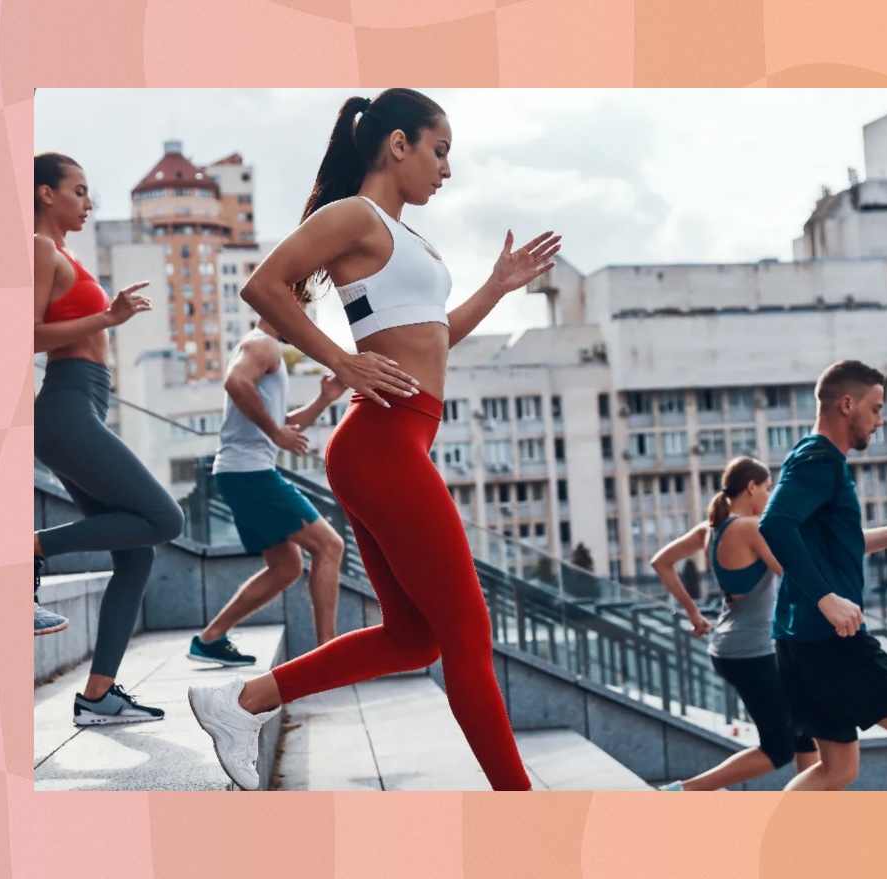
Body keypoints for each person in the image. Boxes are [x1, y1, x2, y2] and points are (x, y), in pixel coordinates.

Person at [188, 88, 559, 791]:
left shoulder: (399, 233)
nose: (446, 170)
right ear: (398, 144)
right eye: (439, 150)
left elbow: (433, 339)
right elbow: (265, 285)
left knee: (414, 636)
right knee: (469, 637)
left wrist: (497, 286)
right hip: (383, 443)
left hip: (391, 444)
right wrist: (340, 360)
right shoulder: (354, 215)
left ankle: (242, 701)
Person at [33, 152, 184, 723]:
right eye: (78, 190)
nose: (88, 202)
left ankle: (97, 696)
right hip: (67, 407)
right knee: (167, 519)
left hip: (86, 404)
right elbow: (26, 334)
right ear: (47, 194)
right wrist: (107, 319)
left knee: (138, 554)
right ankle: (32, 547)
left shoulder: (67, 254)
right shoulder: (43, 249)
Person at [760, 359, 887, 790]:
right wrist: (826, 598)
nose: (879, 421)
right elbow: (774, 524)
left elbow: (835, 543)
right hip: (830, 642)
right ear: (846, 404)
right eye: (875, 409)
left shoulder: (812, 456)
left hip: (803, 641)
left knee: (838, 769)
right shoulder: (819, 460)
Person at [187, 319, 347, 666]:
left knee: (287, 565)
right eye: (301, 306)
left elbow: (285, 422)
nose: (305, 318)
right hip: (250, 473)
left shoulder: (262, 348)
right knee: (330, 545)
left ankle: (210, 638)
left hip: (240, 473)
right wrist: (275, 432)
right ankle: (327, 655)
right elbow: (235, 382)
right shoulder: (264, 344)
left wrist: (324, 398)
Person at [652, 457, 818, 791]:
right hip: (753, 650)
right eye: (768, 488)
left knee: (804, 731)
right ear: (751, 487)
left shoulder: (710, 530)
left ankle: (811, 818)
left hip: (734, 646)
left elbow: (661, 562)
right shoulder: (749, 528)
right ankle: (684, 791)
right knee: (779, 747)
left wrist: (692, 612)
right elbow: (792, 576)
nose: (769, 496)